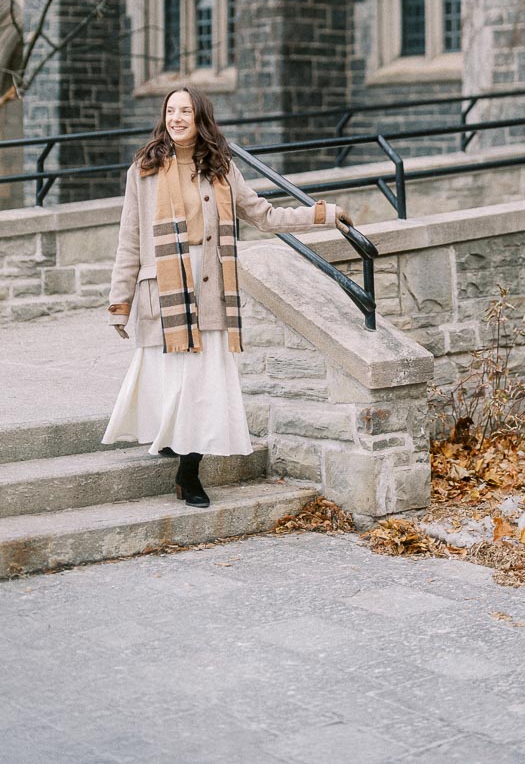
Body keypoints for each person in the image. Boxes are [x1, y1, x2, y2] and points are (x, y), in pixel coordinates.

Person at [101, 85, 354, 507]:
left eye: (185, 111)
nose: (176, 118)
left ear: (201, 119)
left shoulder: (221, 169)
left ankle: (188, 473)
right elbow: (130, 238)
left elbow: (264, 215)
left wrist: (321, 214)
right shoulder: (143, 170)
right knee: (174, 380)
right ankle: (174, 437)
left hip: (212, 284)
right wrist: (119, 301)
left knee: (202, 382)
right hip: (164, 285)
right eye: (170, 111)